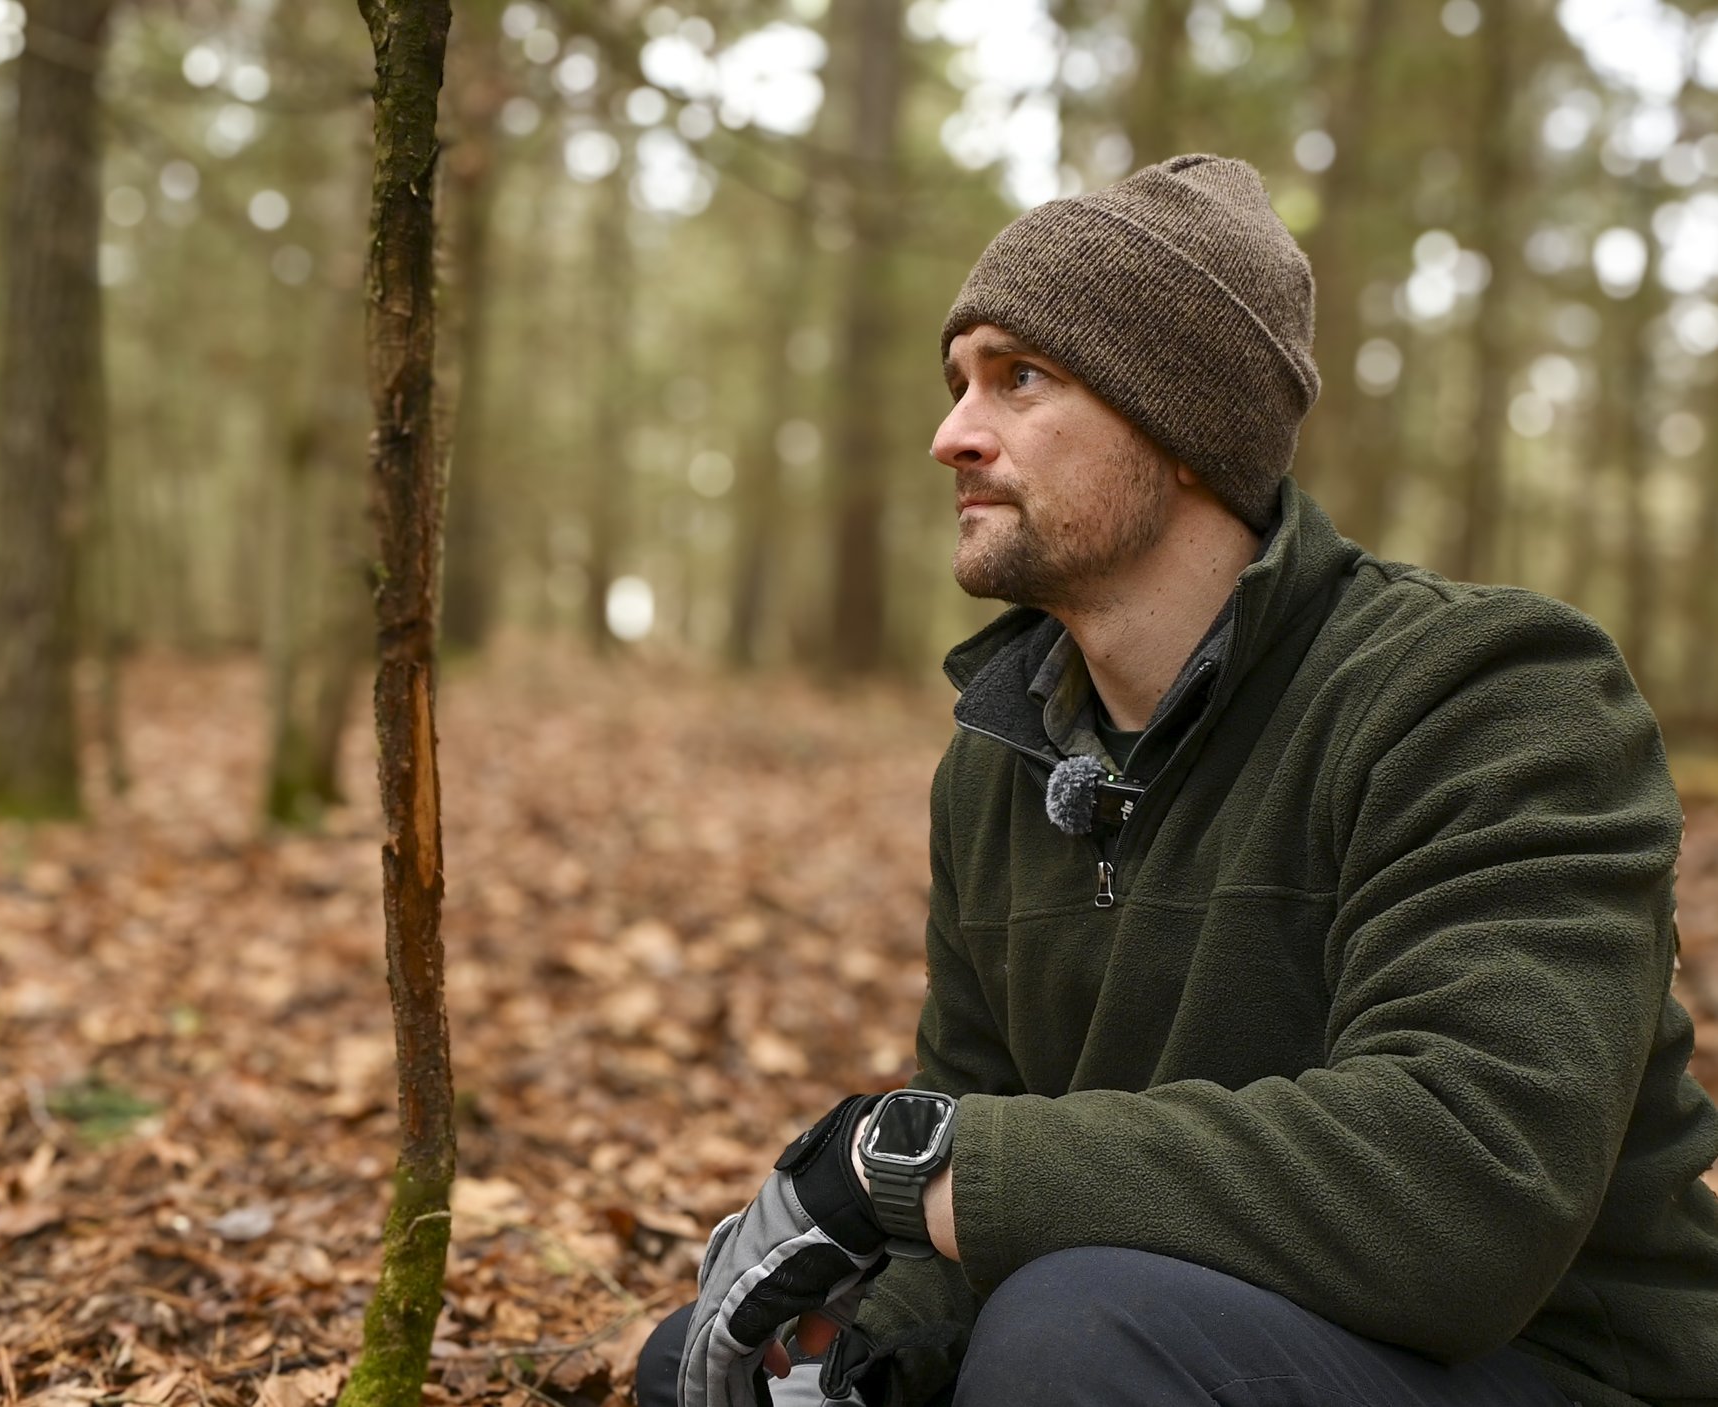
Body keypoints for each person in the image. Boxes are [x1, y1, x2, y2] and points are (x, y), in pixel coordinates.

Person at [636, 154, 1718, 1407]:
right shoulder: (1002, 759)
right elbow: (989, 1138)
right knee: (709, 1368)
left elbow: (1465, 1192)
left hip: (1543, 1371)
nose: (951, 436)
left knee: (1079, 1334)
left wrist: (922, 1163)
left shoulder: (1485, 693)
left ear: (1185, 428)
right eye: (957, 383)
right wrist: (859, 1346)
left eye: (1018, 379)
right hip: (1180, 1333)